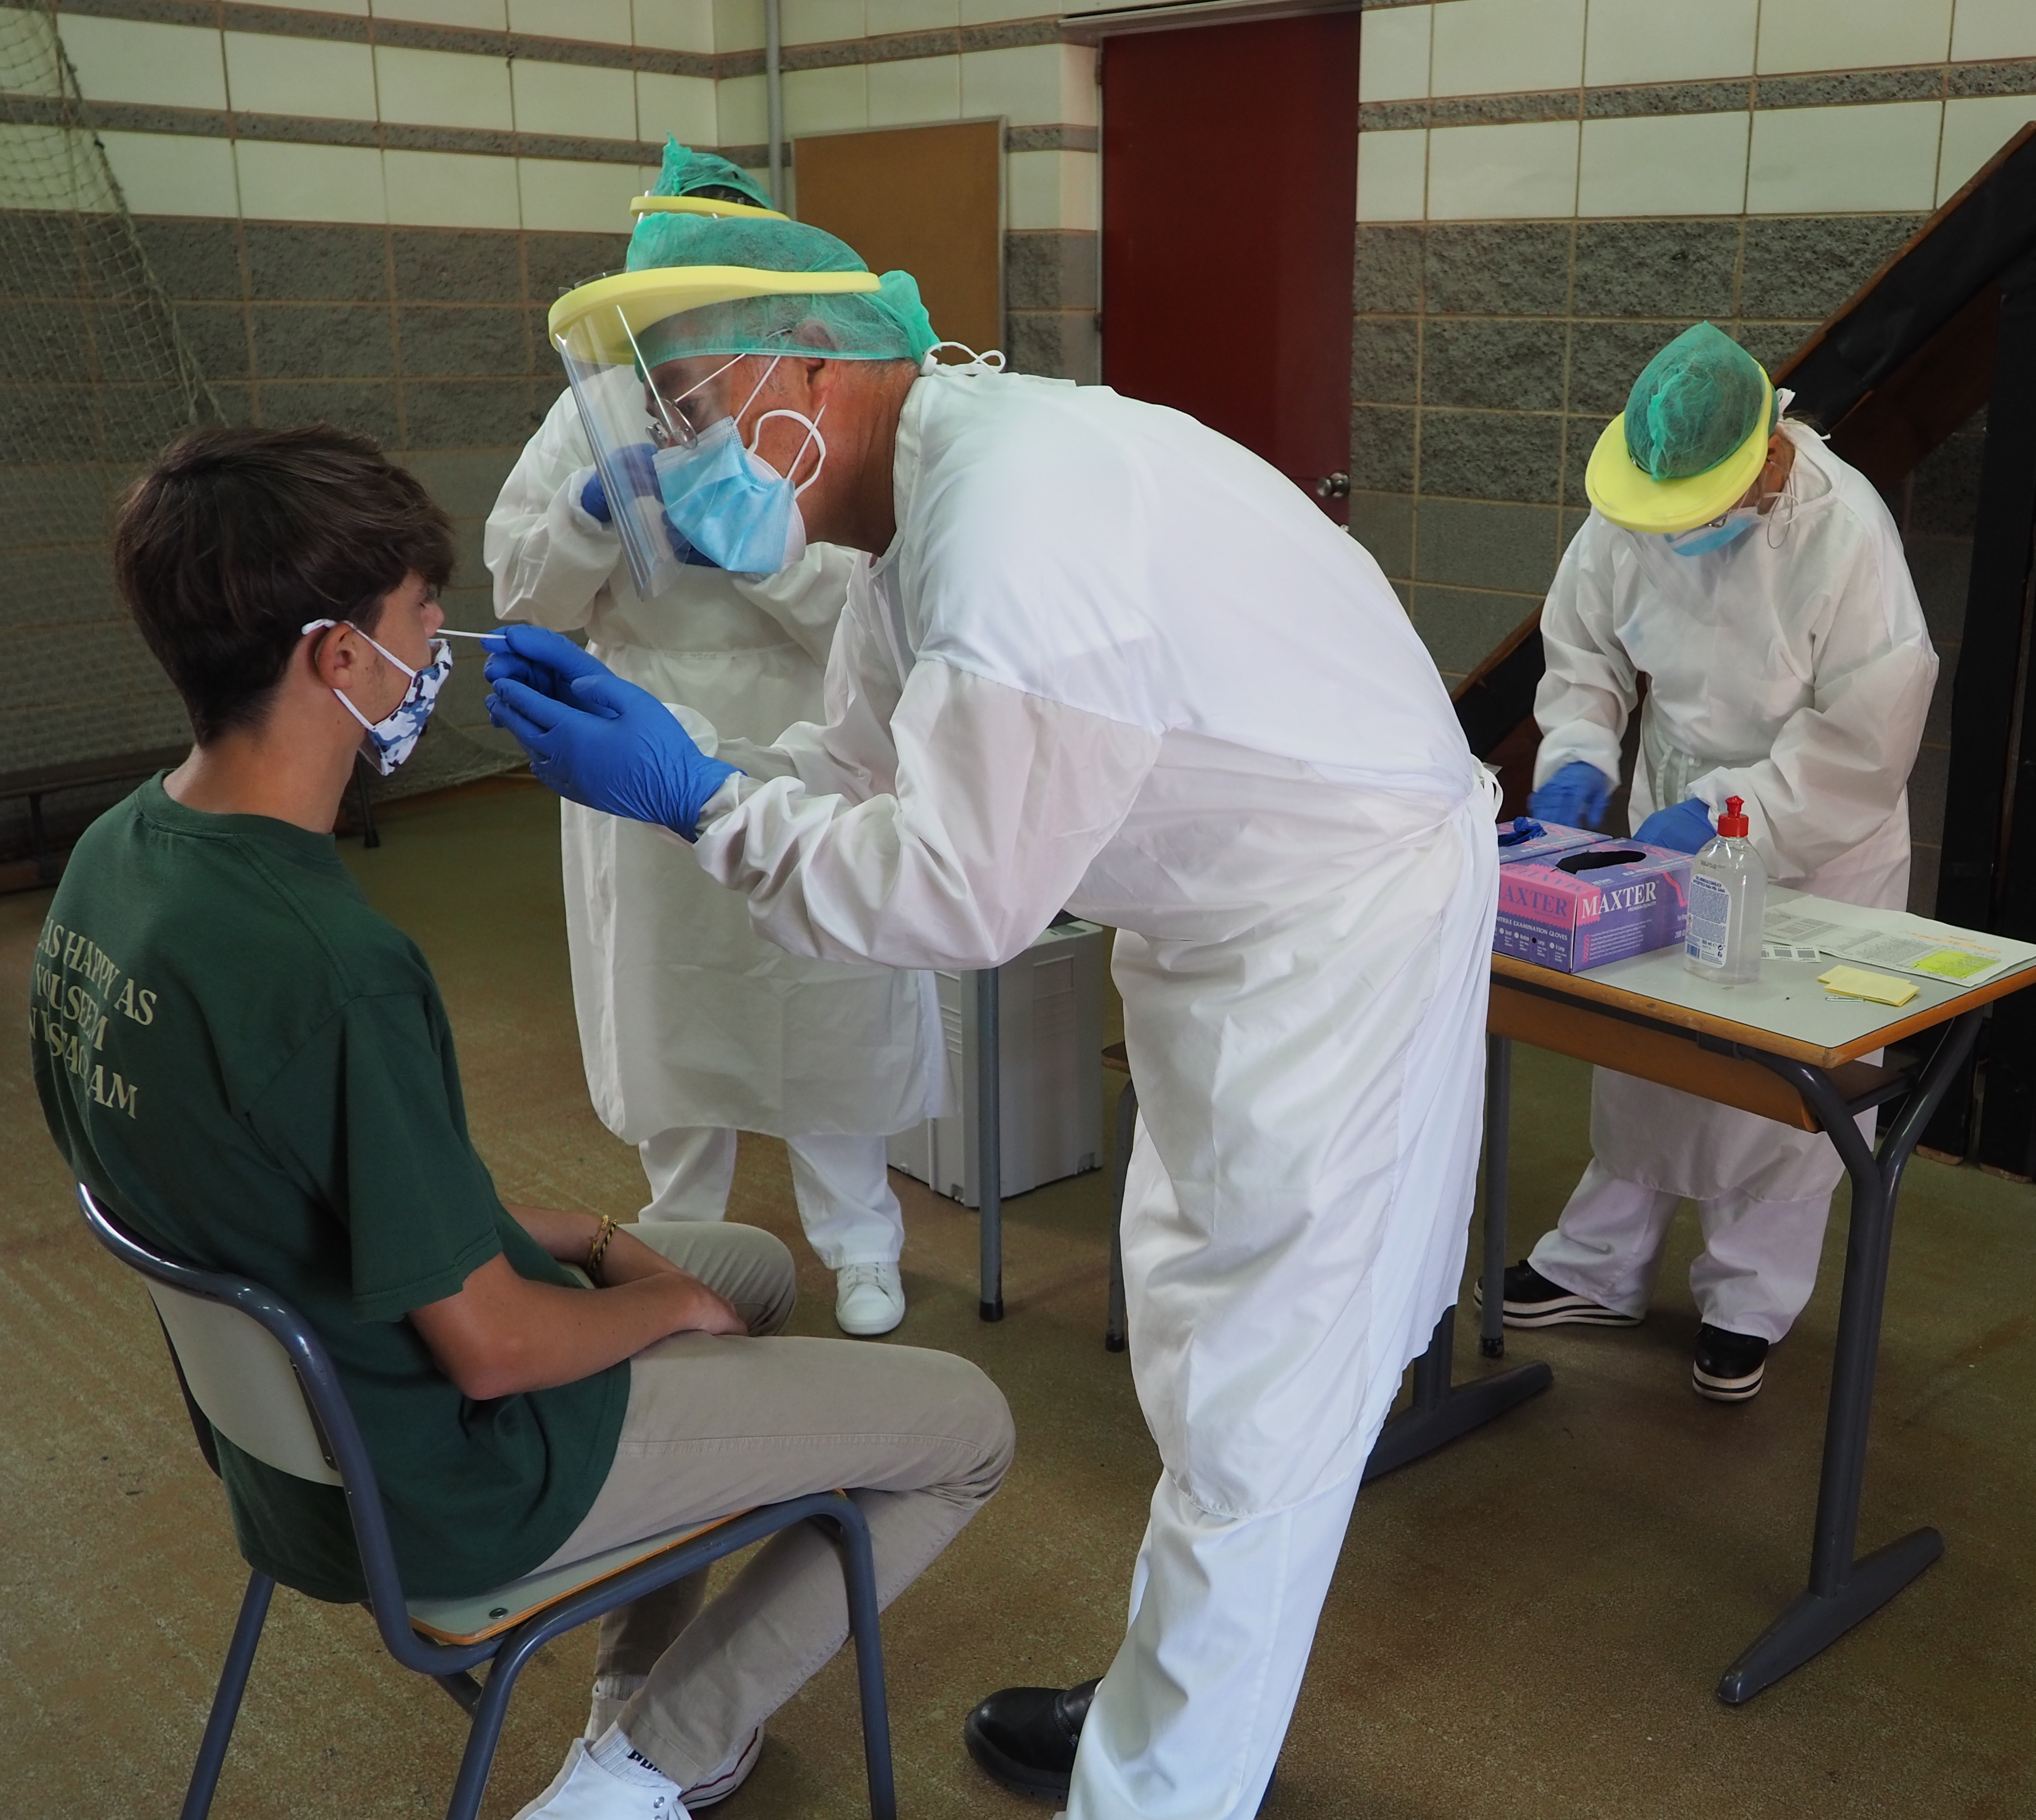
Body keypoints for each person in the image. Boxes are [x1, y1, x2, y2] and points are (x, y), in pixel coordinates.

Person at [479, 211, 1496, 1820]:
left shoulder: (1017, 511)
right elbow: (871, 771)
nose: (674, 462)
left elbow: (957, 894)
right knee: (1199, 1334)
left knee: (1264, 1391)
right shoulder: (921, 522)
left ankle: (1160, 1789)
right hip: (1227, 918)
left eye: (688, 410)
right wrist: (696, 760)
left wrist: (696, 807)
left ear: (815, 363)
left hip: (1337, 929)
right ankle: (1173, 1703)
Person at [33, 424, 1013, 1820]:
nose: (448, 639)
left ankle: (634, 1690)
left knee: (739, 1259)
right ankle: (643, 1772)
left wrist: (615, 1243)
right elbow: (493, 1350)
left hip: (283, 1444)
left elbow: (310, 1196)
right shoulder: (330, 963)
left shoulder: (122, 859)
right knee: (962, 1426)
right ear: (337, 659)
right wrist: (655, 1312)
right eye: (425, 615)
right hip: (444, 1478)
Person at [488, 136, 940, 1339]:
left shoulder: (809, 399)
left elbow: (875, 605)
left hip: (810, 721)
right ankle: (679, 1238)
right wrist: (597, 520)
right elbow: (521, 585)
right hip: (644, 734)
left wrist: (761, 554)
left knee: (825, 987)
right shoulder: (589, 416)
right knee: (669, 1003)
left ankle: (861, 1241)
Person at [1496, 321, 1937, 1402]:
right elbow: (1584, 651)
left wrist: (1730, 814)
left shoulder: (1847, 536)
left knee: (1777, 1088)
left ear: (1764, 464)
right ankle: (1598, 1266)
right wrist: (1577, 762)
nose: (1675, 533)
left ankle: (1750, 1301)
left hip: (1811, 830)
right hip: (1666, 803)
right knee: (1645, 1043)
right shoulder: (1633, 509)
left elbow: (1866, 738)